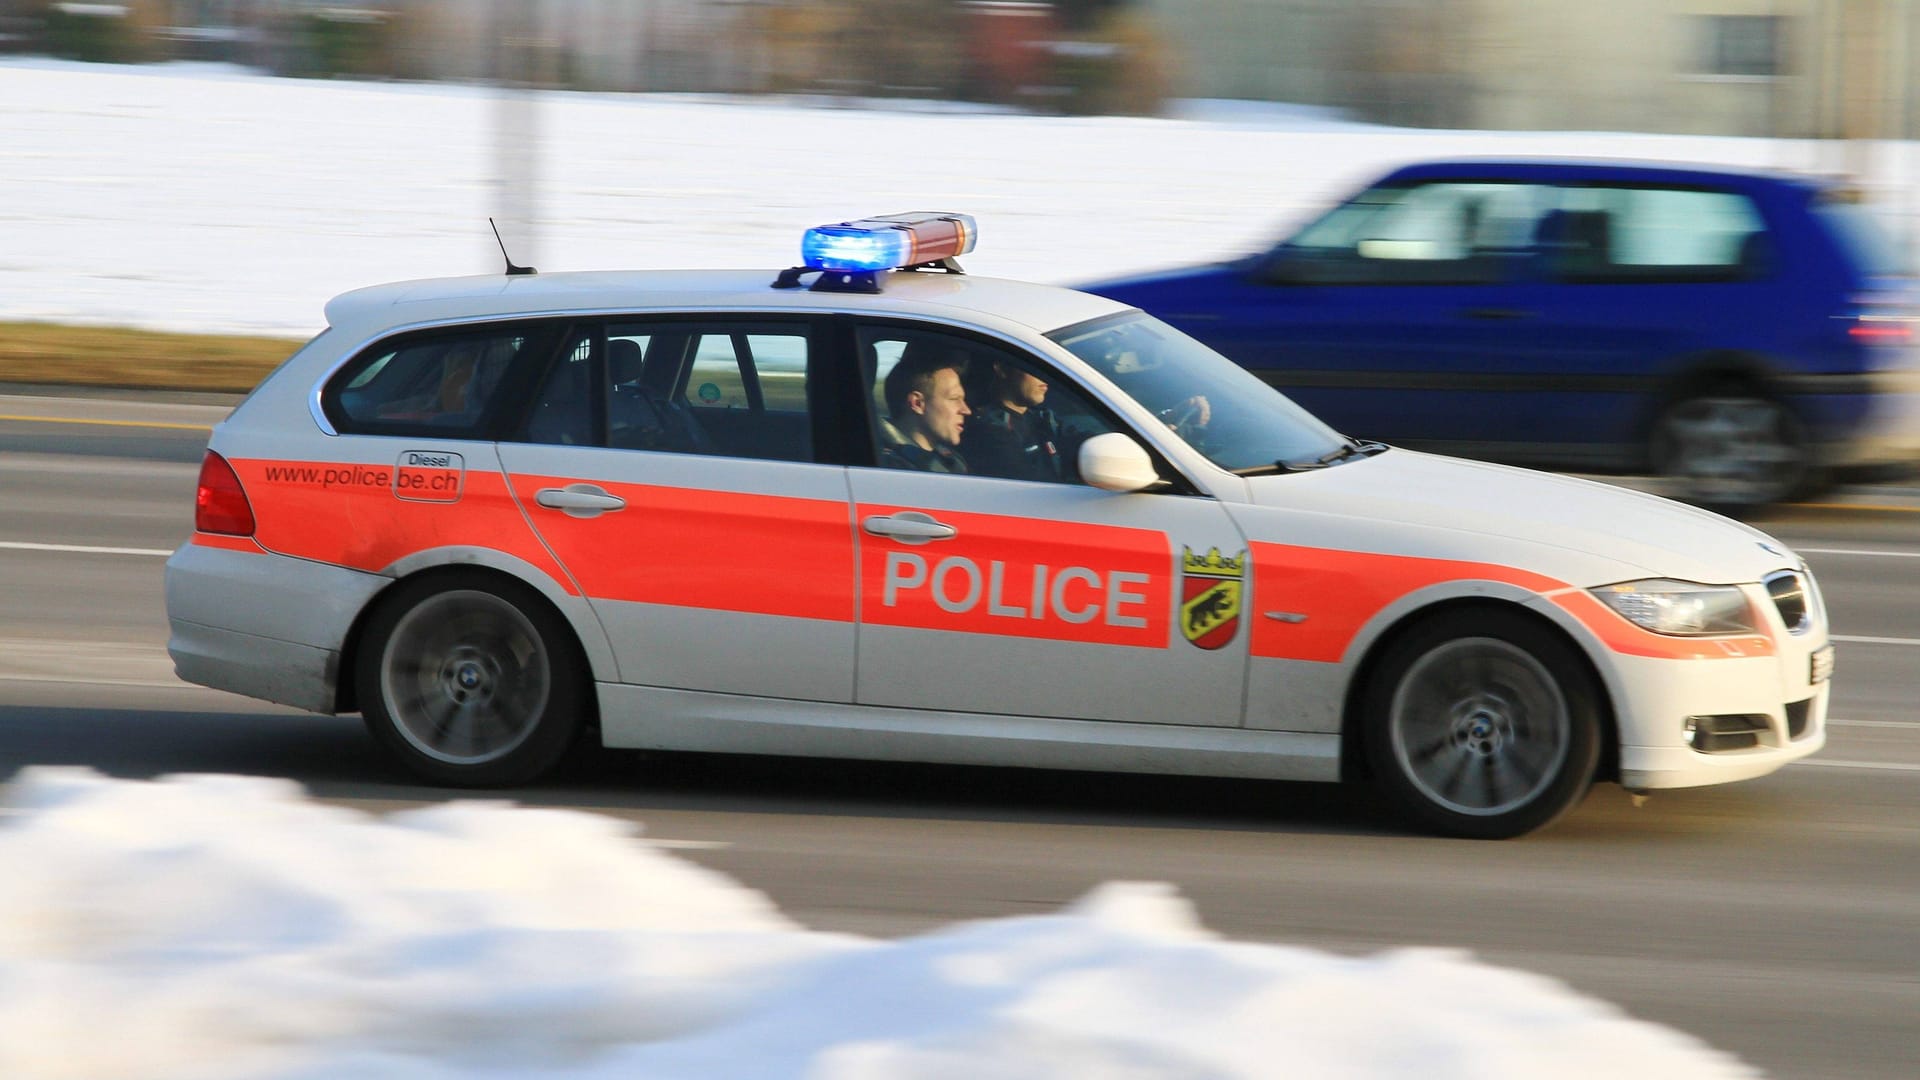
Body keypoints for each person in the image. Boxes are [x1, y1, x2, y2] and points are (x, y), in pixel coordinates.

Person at [962, 358, 1070, 482]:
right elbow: (1029, 485)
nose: (1043, 375)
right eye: (1033, 366)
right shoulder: (987, 430)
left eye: (1046, 366)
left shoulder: (1043, 418)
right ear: (1002, 369)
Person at [879, 343, 970, 472]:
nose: (966, 410)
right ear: (917, 403)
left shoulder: (951, 461)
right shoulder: (891, 469)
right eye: (954, 399)